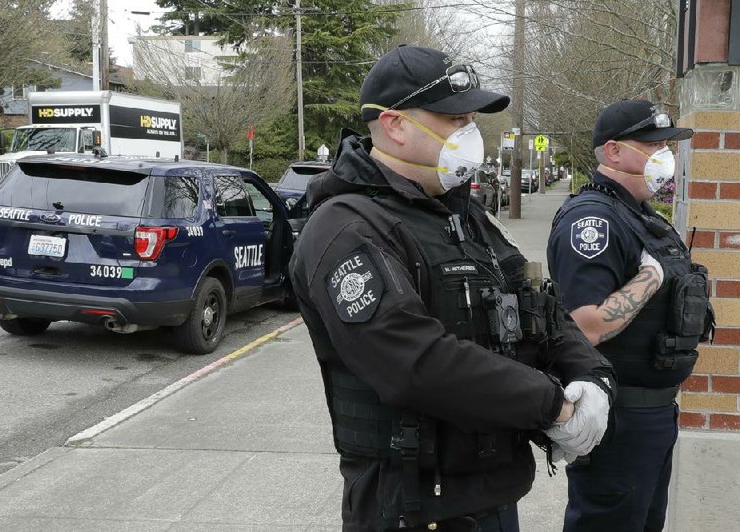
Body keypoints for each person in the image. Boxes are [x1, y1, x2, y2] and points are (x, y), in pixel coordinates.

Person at [289, 44, 616, 532]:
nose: (470, 133)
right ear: (396, 125)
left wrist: (592, 377)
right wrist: (553, 405)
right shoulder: (346, 229)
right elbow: (414, 362)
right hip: (413, 506)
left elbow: (537, 305)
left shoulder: (463, 217)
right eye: (454, 119)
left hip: (493, 495)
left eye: (470, 119)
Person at [547, 99, 715, 532]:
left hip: (653, 415)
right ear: (614, 151)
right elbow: (584, 326)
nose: (665, 154)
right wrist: (649, 278)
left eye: (667, 144)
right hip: (621, 418)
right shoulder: (593, 221)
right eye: (652, 143)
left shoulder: (639, 216)